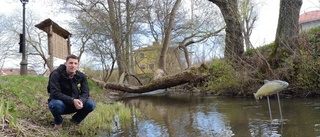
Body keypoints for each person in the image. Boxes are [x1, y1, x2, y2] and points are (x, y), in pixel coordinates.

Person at [48, 54, 95, 129]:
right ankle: (58, 122)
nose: (73, 65)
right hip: (60, 104)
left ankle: (75, 120)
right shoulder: (56, 74)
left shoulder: (81, 76)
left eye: (75, 63)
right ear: (66, 63)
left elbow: (85, 93)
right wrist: (72, 100)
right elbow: (55, 92)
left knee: (91, 104)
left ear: (77, 65)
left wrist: (80, 101)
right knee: (55, 105)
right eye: (70, 63)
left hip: (75, 105)